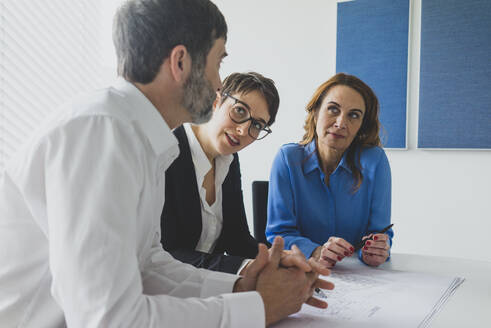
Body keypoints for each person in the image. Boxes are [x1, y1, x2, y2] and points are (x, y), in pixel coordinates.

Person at [0, 1, 333, 327]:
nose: (219, 84)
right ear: (181, 62)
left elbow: (148, 263)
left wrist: (241, 285)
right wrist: (256, 310)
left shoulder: (142, 138)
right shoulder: (102, 132)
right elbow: (108, 319)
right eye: (218, 64)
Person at [266, 73, 394, 268]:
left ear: (361, 126)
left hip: (358, 276)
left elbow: (380, 231)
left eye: (353, 115)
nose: (341, 123)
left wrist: (377, 250)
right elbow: (279, 234)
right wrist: (316, 251)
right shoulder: (288, 159)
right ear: (315, 112)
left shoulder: (375, 161)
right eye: (333, 109)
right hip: (301, 270)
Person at [162, 71, 278, 274]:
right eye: (240, 111)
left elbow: (237, 238)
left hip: (203, 290)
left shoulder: (229, 159)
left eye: (257, 125)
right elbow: (167, 253)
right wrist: (243, 268)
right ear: (216, 101)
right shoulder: (168, 153)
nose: (243, 130)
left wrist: (277, 261)